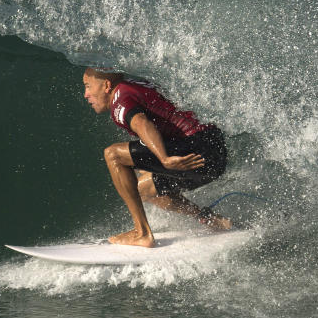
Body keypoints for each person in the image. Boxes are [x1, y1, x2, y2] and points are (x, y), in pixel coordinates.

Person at [82, 67, 231, 247]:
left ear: (106, 85)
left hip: (196, 148)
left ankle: (142, 233)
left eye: (88, 86)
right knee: (141, 190)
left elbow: (141, 123)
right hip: (213, 150)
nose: (86, 94)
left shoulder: (119, 100)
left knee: (113, 155)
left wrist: (164, 158)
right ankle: (209, 219)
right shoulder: (136, 84)